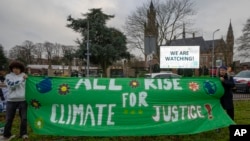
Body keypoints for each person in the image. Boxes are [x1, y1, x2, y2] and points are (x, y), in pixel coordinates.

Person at [0, 61, 28, 140]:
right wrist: (22, 79)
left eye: (18, 68)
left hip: (23, 100)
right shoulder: (8, 76)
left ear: (21, 69)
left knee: (24, 118)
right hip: (11, 101)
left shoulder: (25, 76)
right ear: (11, 69)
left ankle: (23, 134)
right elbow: (12, 85)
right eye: (14, 68)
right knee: (9, 118)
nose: (16, 70)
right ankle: (7, 135)